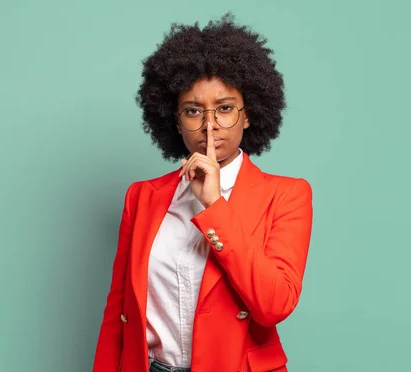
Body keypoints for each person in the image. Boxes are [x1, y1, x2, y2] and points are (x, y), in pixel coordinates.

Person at [93, 14, 313, 372]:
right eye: (193, 111)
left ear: (249, 115)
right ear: (175, 120)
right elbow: (118, 312)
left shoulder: (287, 195)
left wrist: (214, 204)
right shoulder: (142, 197)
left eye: (225, 108)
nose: (210, 124)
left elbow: (273, 304)